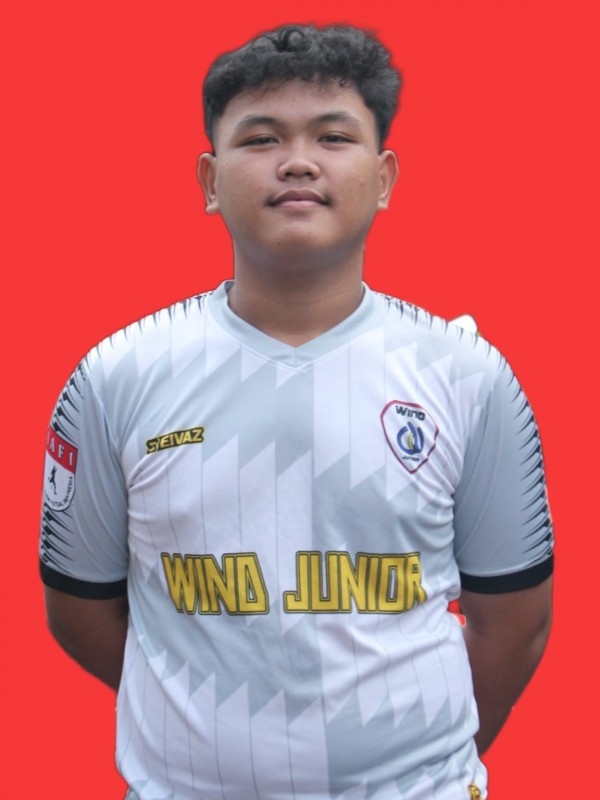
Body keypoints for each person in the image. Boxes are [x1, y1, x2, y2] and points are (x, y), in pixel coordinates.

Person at [40, 23, 553, 800]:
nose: (299, 162)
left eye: (333, 136)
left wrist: (413, 756)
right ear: (210, 181)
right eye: (261, 138)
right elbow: (80, 611)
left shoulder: (468, 377)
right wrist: (203, 720)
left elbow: (515, 621)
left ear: (384, 177)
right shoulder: (115, 377)